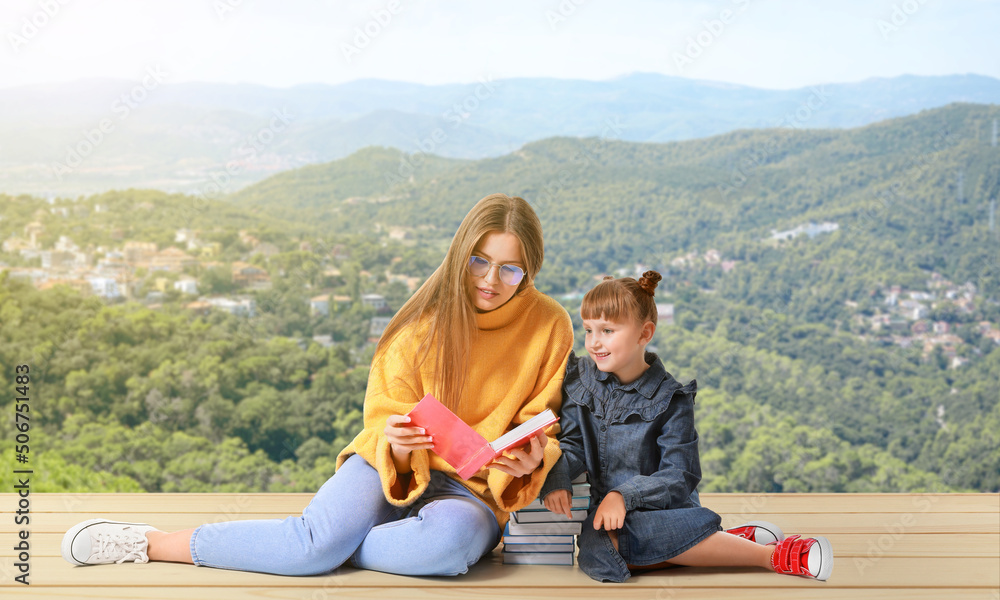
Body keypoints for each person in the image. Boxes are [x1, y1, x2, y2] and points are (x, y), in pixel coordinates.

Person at [61, 193, 575, 577]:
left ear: (530, 272)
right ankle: (150, 542)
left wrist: (534, 458)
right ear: (460, 253)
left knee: (441, 550)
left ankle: (322, 545)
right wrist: (395, 445)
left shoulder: (550, 324)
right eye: (479, 261)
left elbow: (542, 419)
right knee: (311, 546)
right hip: (389, 465)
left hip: (475, 489)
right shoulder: (421, 323)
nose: (490, 280)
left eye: (510, 270)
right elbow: (383, 417)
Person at [540, 271, 833, 583]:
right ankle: (717, 543)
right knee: (596, 550)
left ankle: (771, 556)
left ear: (644, 333)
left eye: (608, 330)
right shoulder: (580, 380)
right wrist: (556, 477)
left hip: (664, 510)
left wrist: (624, 495)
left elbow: (680, 475)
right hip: (612, 517)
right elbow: (571, 444)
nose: (594, 343)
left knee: (622, 540)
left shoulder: (673, 399)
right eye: (588, 330)